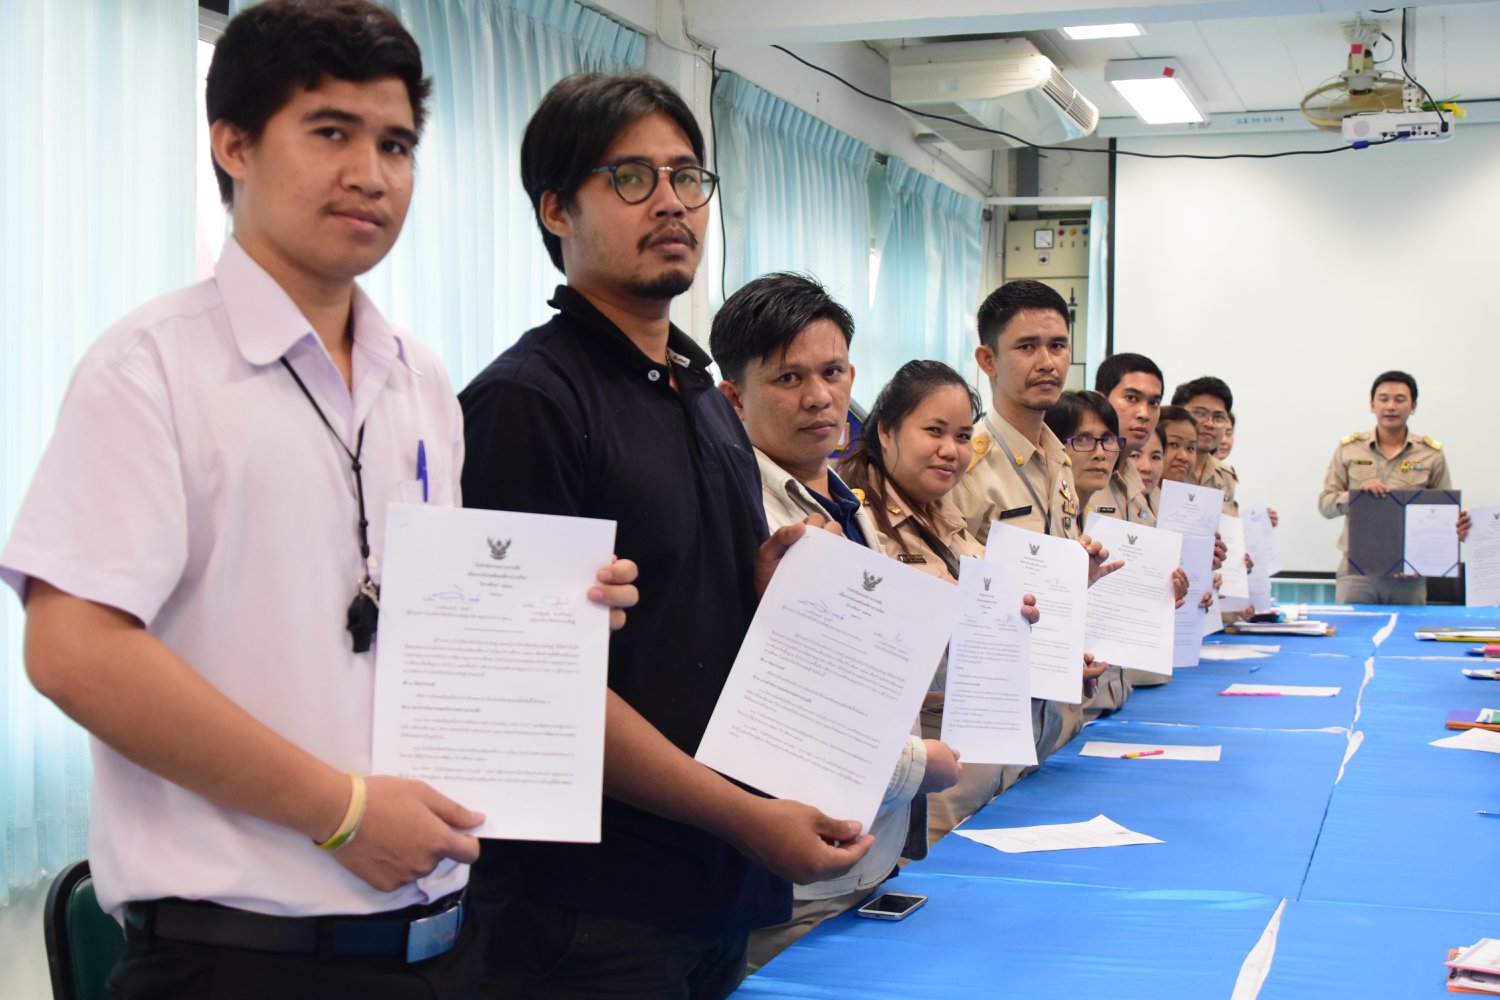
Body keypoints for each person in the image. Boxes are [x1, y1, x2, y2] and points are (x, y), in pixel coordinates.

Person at [1, 4, 634, 995]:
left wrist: (550, 613)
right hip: (241, 959)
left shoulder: (419, 378)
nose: (372, 174)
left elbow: (417, 627)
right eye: (331, 132)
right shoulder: (152, 368)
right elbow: (73, 649)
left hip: (440, 945)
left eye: (397, 145)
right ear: (234, 144)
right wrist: (338, 813)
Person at [458, 74, 870, 998]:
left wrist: (764, 583)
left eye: (687, 176)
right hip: (590, 907)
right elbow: (536, 686)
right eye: (633, 178)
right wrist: (744, 818)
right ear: (556, 209)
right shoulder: (529, 402)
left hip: (714, 883)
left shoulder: (698, 390)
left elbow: (686, 607)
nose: (674, 203)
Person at [710, 276, 964, 971]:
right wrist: (917, 765)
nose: (821, 396)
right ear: (733, 399)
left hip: (869, 852)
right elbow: (783, 704)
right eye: (788, 378)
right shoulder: (746, 517)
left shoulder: (845, 503)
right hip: (793, 870)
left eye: (833, 371)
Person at [838, 361, 1027, 841]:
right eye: (934, 431)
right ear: (886, 431)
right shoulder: (858, 525)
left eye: (963, 436)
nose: (951, 450)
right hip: (919, 787)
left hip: (982, 776)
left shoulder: (947, 517)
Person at [950, 280, 1118, 786]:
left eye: (1058, 345)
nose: (1047, 362)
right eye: (1026, 347)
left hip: (1052, 718)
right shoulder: (964, 463)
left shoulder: (1059, 458)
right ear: (988, 359)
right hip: (985, 720)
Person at [1317, 370, 1469, 604]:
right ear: (1372, 405)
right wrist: (1356, 497)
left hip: (1409, 576)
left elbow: (1443, 513)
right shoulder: (1349, 449)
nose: (1391, 406)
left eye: (1400, 400)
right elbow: (1325, 505)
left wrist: (1457, 529)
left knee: (1408, 629)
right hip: (1358, 574)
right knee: (1352, 629)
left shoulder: (1431, 454)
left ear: (1413, 406)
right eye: (1383, 399)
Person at [1094, 352, 1164, 524]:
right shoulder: (1080, 472)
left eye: (1154, 403)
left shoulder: (1135, 482)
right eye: (1131, 398)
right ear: (1100, 399)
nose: (1144, 414)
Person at [1171, 376, 1239, 514]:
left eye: (1218, 417)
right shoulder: (1157, 465)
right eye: (1200, 413)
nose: (1209, 423)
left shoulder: (1226, 476)